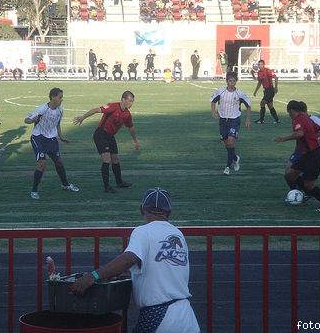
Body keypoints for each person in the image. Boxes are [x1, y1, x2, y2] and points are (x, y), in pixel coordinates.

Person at [69, 187, 200, 333]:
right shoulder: (178, 234)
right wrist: (134, 274)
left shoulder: (142, 231)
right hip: (186, 317)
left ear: (142, 209)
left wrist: (93, 276)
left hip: (159, 318)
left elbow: (128, 258)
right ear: (168, 212)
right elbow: (162, 267)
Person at [73, 91, 140, 193]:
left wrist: (135, 141)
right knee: (107, 159)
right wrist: (83, 117)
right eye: (130, 101)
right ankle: (107, 187)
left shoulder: (127, 114)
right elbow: (96, 110)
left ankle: (119, 182)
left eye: (132, 101)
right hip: (101, 134)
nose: (131, 103)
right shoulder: (113, 106)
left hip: (110, 136)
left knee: (116, 160)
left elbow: (131, 127)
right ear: (123, 99)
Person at [275, 100, 320, 212]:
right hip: (306, 154)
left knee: (309, 185)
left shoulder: (297, 119)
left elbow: (300, 133)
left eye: (289, 113)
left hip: (314, 155)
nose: (289, 115)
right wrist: (312, 138)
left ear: (292, 110)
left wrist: (283, 139)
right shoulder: (306, 117)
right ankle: (302, 194)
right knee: (289, 175)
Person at [24, 88, 80, 199]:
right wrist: (32, 120)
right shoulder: (42, 109)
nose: (61, 99)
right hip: (38, 138)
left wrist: (61, 137)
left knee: (59, 162)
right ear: (53, 97)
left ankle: (65, 185)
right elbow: (27, 120)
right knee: (42, 164)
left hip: (51, 139)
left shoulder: (60, 110)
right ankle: (34, 190)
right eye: (60, 97)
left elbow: (57, 124)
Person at [211, 71, 252, 175]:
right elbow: (213, 101)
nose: (232, 82)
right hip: (223, 120)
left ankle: (227, 167)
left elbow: (248, 106)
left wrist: (248, 119)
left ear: (236, 82)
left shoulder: (240, 93)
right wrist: (213, 112)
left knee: (230, 141)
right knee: (226, 143)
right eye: (230, 81)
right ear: (226, 81)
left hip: (234, 120)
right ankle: (235, 158)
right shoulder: (221, 91)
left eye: (234, 81)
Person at [253, 59, 280, 124]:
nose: (259, 66)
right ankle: (277, 120)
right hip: (266, 91)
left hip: (270, 90)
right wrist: (255, 91)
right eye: (258, 65)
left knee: (262, 103)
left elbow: (276, 78)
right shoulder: (259, 72)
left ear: (263, 65)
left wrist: (276, 87)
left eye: (261, 64)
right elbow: (259, 82)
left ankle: (261, 120)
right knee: (270, 106)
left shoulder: (268, 71)